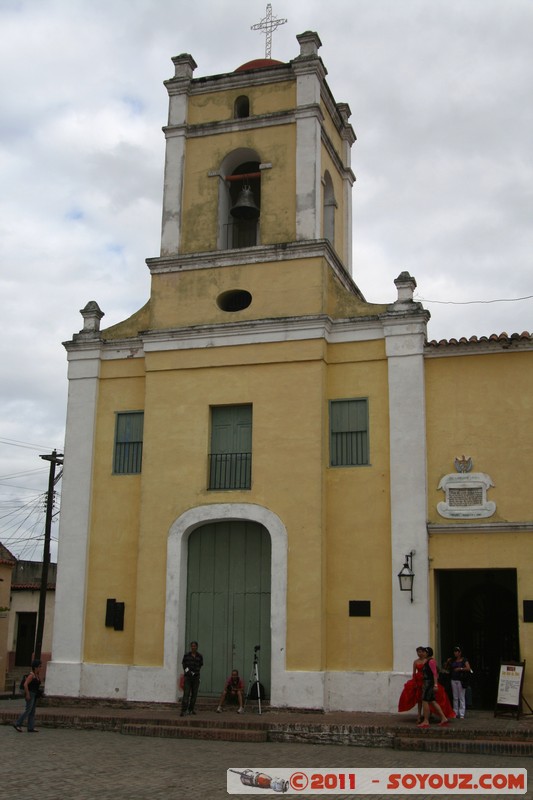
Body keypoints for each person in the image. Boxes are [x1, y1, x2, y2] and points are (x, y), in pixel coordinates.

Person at [418, 647, 449, 728]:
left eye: (424, 652)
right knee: (432, 701)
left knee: (425, 700)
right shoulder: (428, 661)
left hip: (429, 683)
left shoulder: (431, 661)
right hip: (427, 683)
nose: (422, 653)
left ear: (427, 653)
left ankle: (426, 720)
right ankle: (443, 718)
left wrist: (435, 685)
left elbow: (435, 673)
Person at [398, 646, 427, 722]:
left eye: (420, 651)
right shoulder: (415, 661)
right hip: (418, 680)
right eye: (418, 652)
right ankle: (419, 716)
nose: (419, 653)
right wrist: (414, 682)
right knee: (419, 699)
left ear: (423, 652)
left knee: (426, 699)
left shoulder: (426, 661)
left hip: (425, 680)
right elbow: (414, 673)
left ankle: (426, 715)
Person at [13, 659, 42, 733]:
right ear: (35, 667)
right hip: (31, 694)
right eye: (39, 666)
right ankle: (17, 723)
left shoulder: (37, 675)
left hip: (35, 694)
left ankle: (30, 727)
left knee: (32, 711)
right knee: (28, 710)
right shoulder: (31, 675)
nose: (40, 668)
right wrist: (28, 694)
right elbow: (25, 684)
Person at [444, 645, 472, 719]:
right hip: (453, 679)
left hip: (461, 680)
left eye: (457, 651)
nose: (455, 653)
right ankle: (455, 712)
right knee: (455, 697)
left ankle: (462, 713)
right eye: (455, 651)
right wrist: (447, 662)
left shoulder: (464, 660)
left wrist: (460, 668)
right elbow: (446, 668)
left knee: (461, 697)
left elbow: (468, 668)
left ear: (460, 652)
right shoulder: (453, 660)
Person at [181, 641, 203, 716]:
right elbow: (184, 666)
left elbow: (200, 665)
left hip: (196, 677)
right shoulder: (186, 655)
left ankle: (191, 709)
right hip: (188, 677)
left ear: (197, 647)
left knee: (194, 694)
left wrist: (195, 673)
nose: (193, 647)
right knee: (186, 694)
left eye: (195, 646)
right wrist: (189, 672)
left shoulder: (199, 656)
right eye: (192, 646)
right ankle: (184, 710)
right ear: (191, 647)